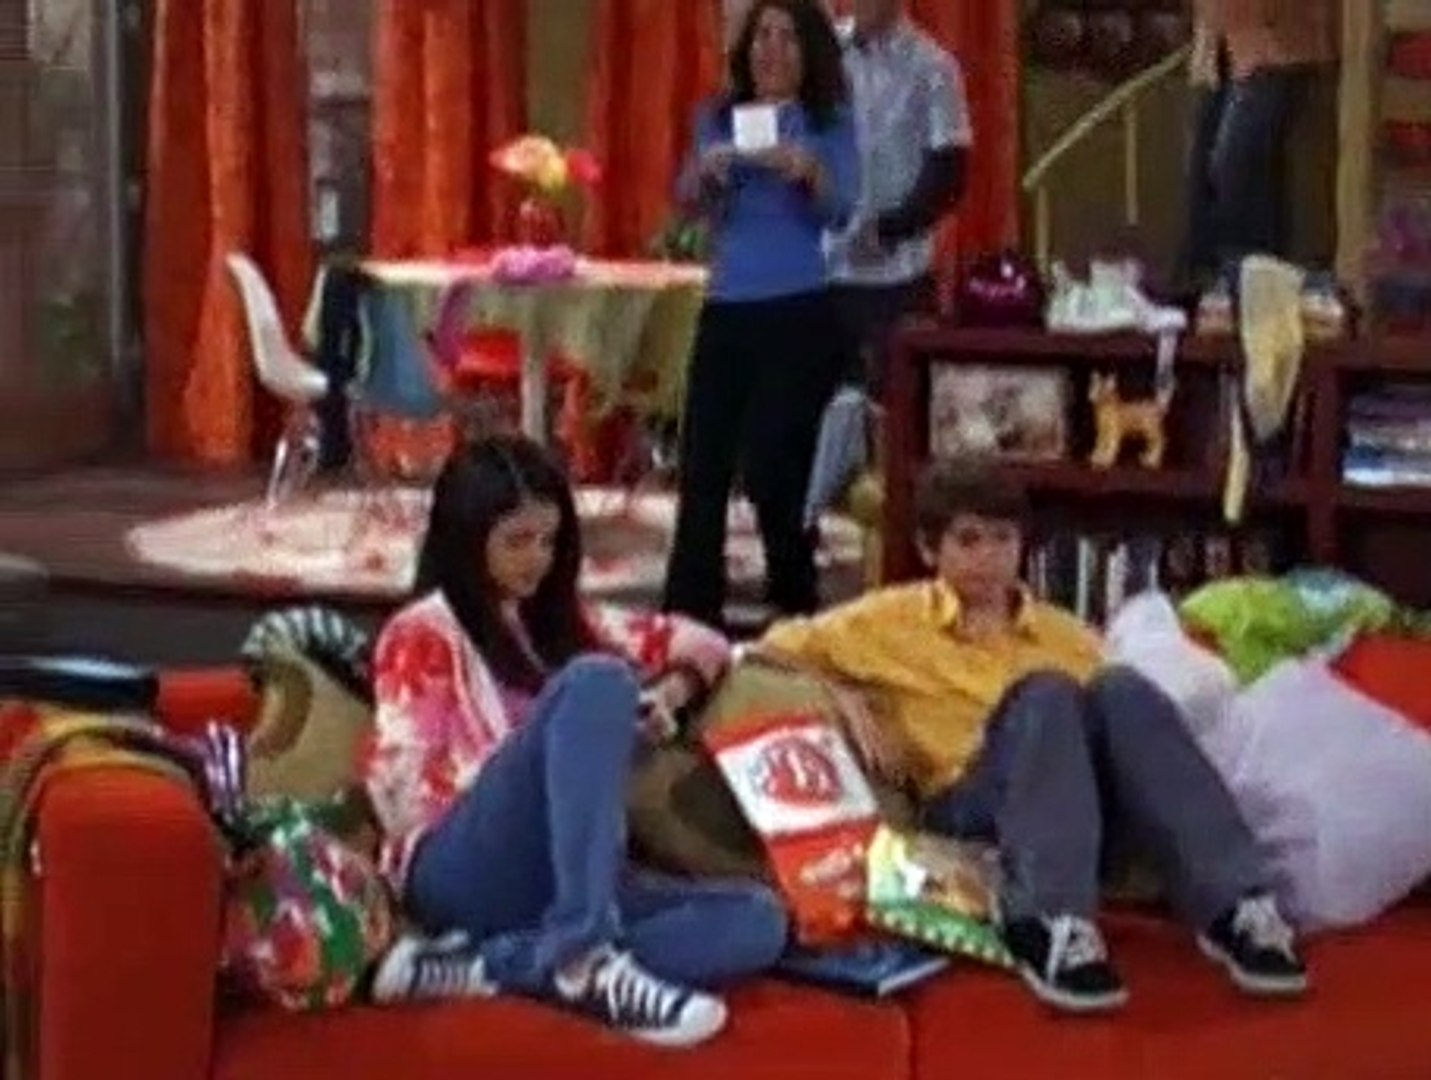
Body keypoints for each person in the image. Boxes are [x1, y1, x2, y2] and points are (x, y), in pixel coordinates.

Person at [754, 459, 1308, 1014]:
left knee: (1122, 687)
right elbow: (766, 649)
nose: (988, 557)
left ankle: (1236, 908)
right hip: (970, 813)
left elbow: (1120, 737)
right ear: (929, 549)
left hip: (1078, 814)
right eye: (968, 540)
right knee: (1045, 693)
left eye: (1003, 539)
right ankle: (1048, 923)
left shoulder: (1066, 634)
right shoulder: (885, 621)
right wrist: (842, 698)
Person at [365, 434, 789, 1047]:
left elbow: (702, 642)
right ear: (466, 538)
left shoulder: (561, 621)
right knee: (597, 683)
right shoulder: (421, 632)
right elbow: (400, 794)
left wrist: (666, 696)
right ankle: (581, 947)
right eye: (516, 541)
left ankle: (502, 965)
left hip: (562, 880)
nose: (536, 559)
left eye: (548, 540)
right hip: (459, 865)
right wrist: (553, 754)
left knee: (761, 920)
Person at [663, 0, 859, 629]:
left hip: (799, 308)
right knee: (703, 461)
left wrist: (809, 171)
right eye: (762, 36)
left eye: (787, 38)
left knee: (776, 460)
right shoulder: (716, 117)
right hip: (727, 305)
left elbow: (841, 209)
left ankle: (793, 594)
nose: (771, 49)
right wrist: (706, 173)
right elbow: (688, 201)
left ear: (809, 52)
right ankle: (689, 609)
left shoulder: (828, 121)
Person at [827, 0, 971, 390]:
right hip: (818, 275)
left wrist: (889, 230)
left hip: (893, 281)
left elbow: (949, 175)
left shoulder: (933, 67)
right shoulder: (822, 53)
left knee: (890, 406)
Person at [1181, 0, 1339, 287]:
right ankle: (1220, 282)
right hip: (1227, 49)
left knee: (1235, 174)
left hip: (1275, 48)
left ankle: (1249, 284)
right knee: (1209, 180)